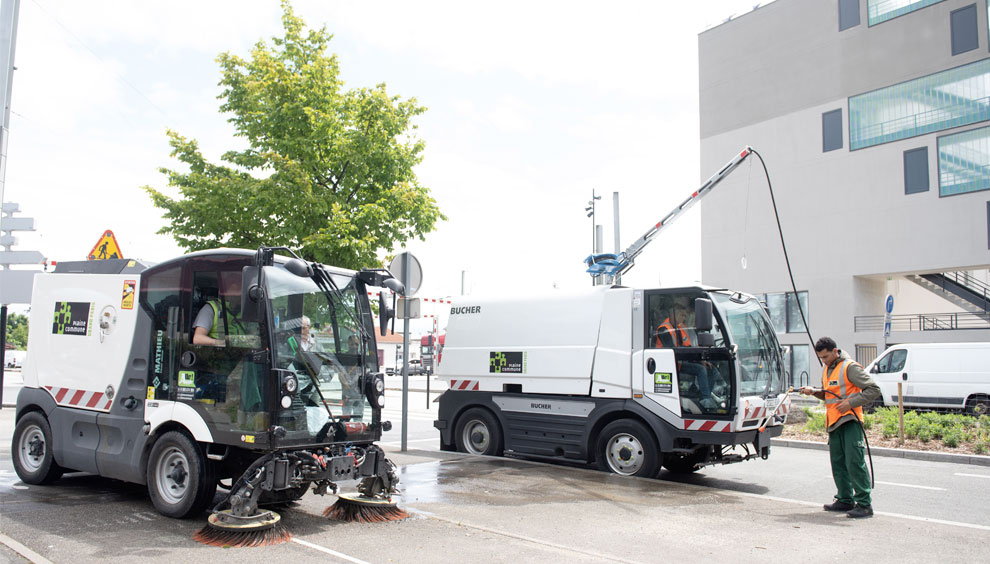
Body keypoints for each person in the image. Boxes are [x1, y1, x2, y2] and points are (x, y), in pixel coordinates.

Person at [800, 336, 880, 519]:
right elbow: (829, 395)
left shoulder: (850, 367)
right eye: (821, 358)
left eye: (826, 357)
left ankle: (865, 505)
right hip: (833, 422)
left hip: (850, 420)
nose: (824, 361)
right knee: (838, 463)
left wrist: (851, 403)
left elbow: (873, 390)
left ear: (835, 351)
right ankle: (845, 499)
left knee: (854, 462)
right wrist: (813, 392)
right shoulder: (827, 369)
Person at [193, 275, 247, 347]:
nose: (240, 293)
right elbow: (198, 339)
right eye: (235, 289)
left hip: (244, 353)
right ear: (224, 292)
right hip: (220, 353)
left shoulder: (245, 311)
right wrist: (223, 343)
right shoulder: (211, 308)